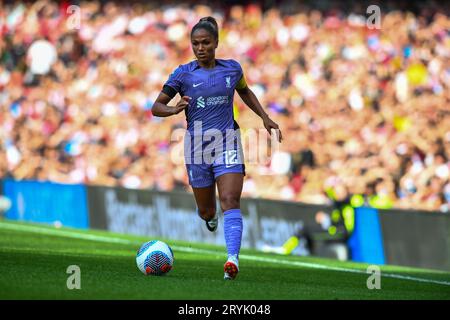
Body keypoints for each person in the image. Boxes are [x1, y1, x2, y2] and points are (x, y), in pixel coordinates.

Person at [151, 16, 282, 280]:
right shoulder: (183, 74)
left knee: (231, 200)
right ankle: (210, 219)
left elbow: (244, 92)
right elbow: (156, 107)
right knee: (207, 211)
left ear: (216, 43)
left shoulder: (232, 70)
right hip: (197, 147)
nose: (200, 48)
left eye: (206, 43)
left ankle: (232, 259)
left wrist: (264, 117)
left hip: (227, 141)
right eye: (195, 43)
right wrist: (173, 109)